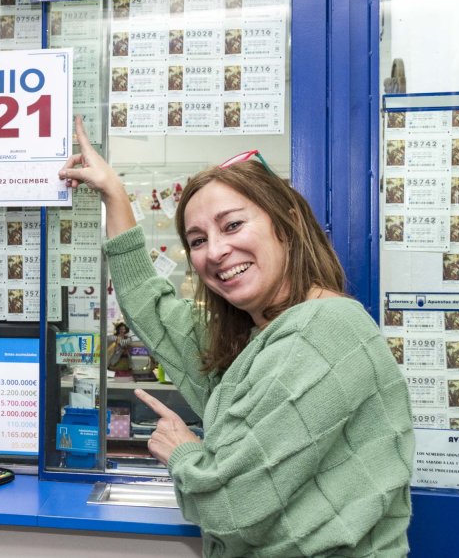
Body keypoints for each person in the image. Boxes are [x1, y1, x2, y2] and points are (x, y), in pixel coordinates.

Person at [60, 118, 414, 557]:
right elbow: (151, 308)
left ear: (287, 223)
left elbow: (228, 502)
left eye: (232, 226)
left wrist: (182, 452)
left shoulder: (326, 331)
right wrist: (114, 192)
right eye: (197, 239)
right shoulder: (253, 337)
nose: (215, 251)